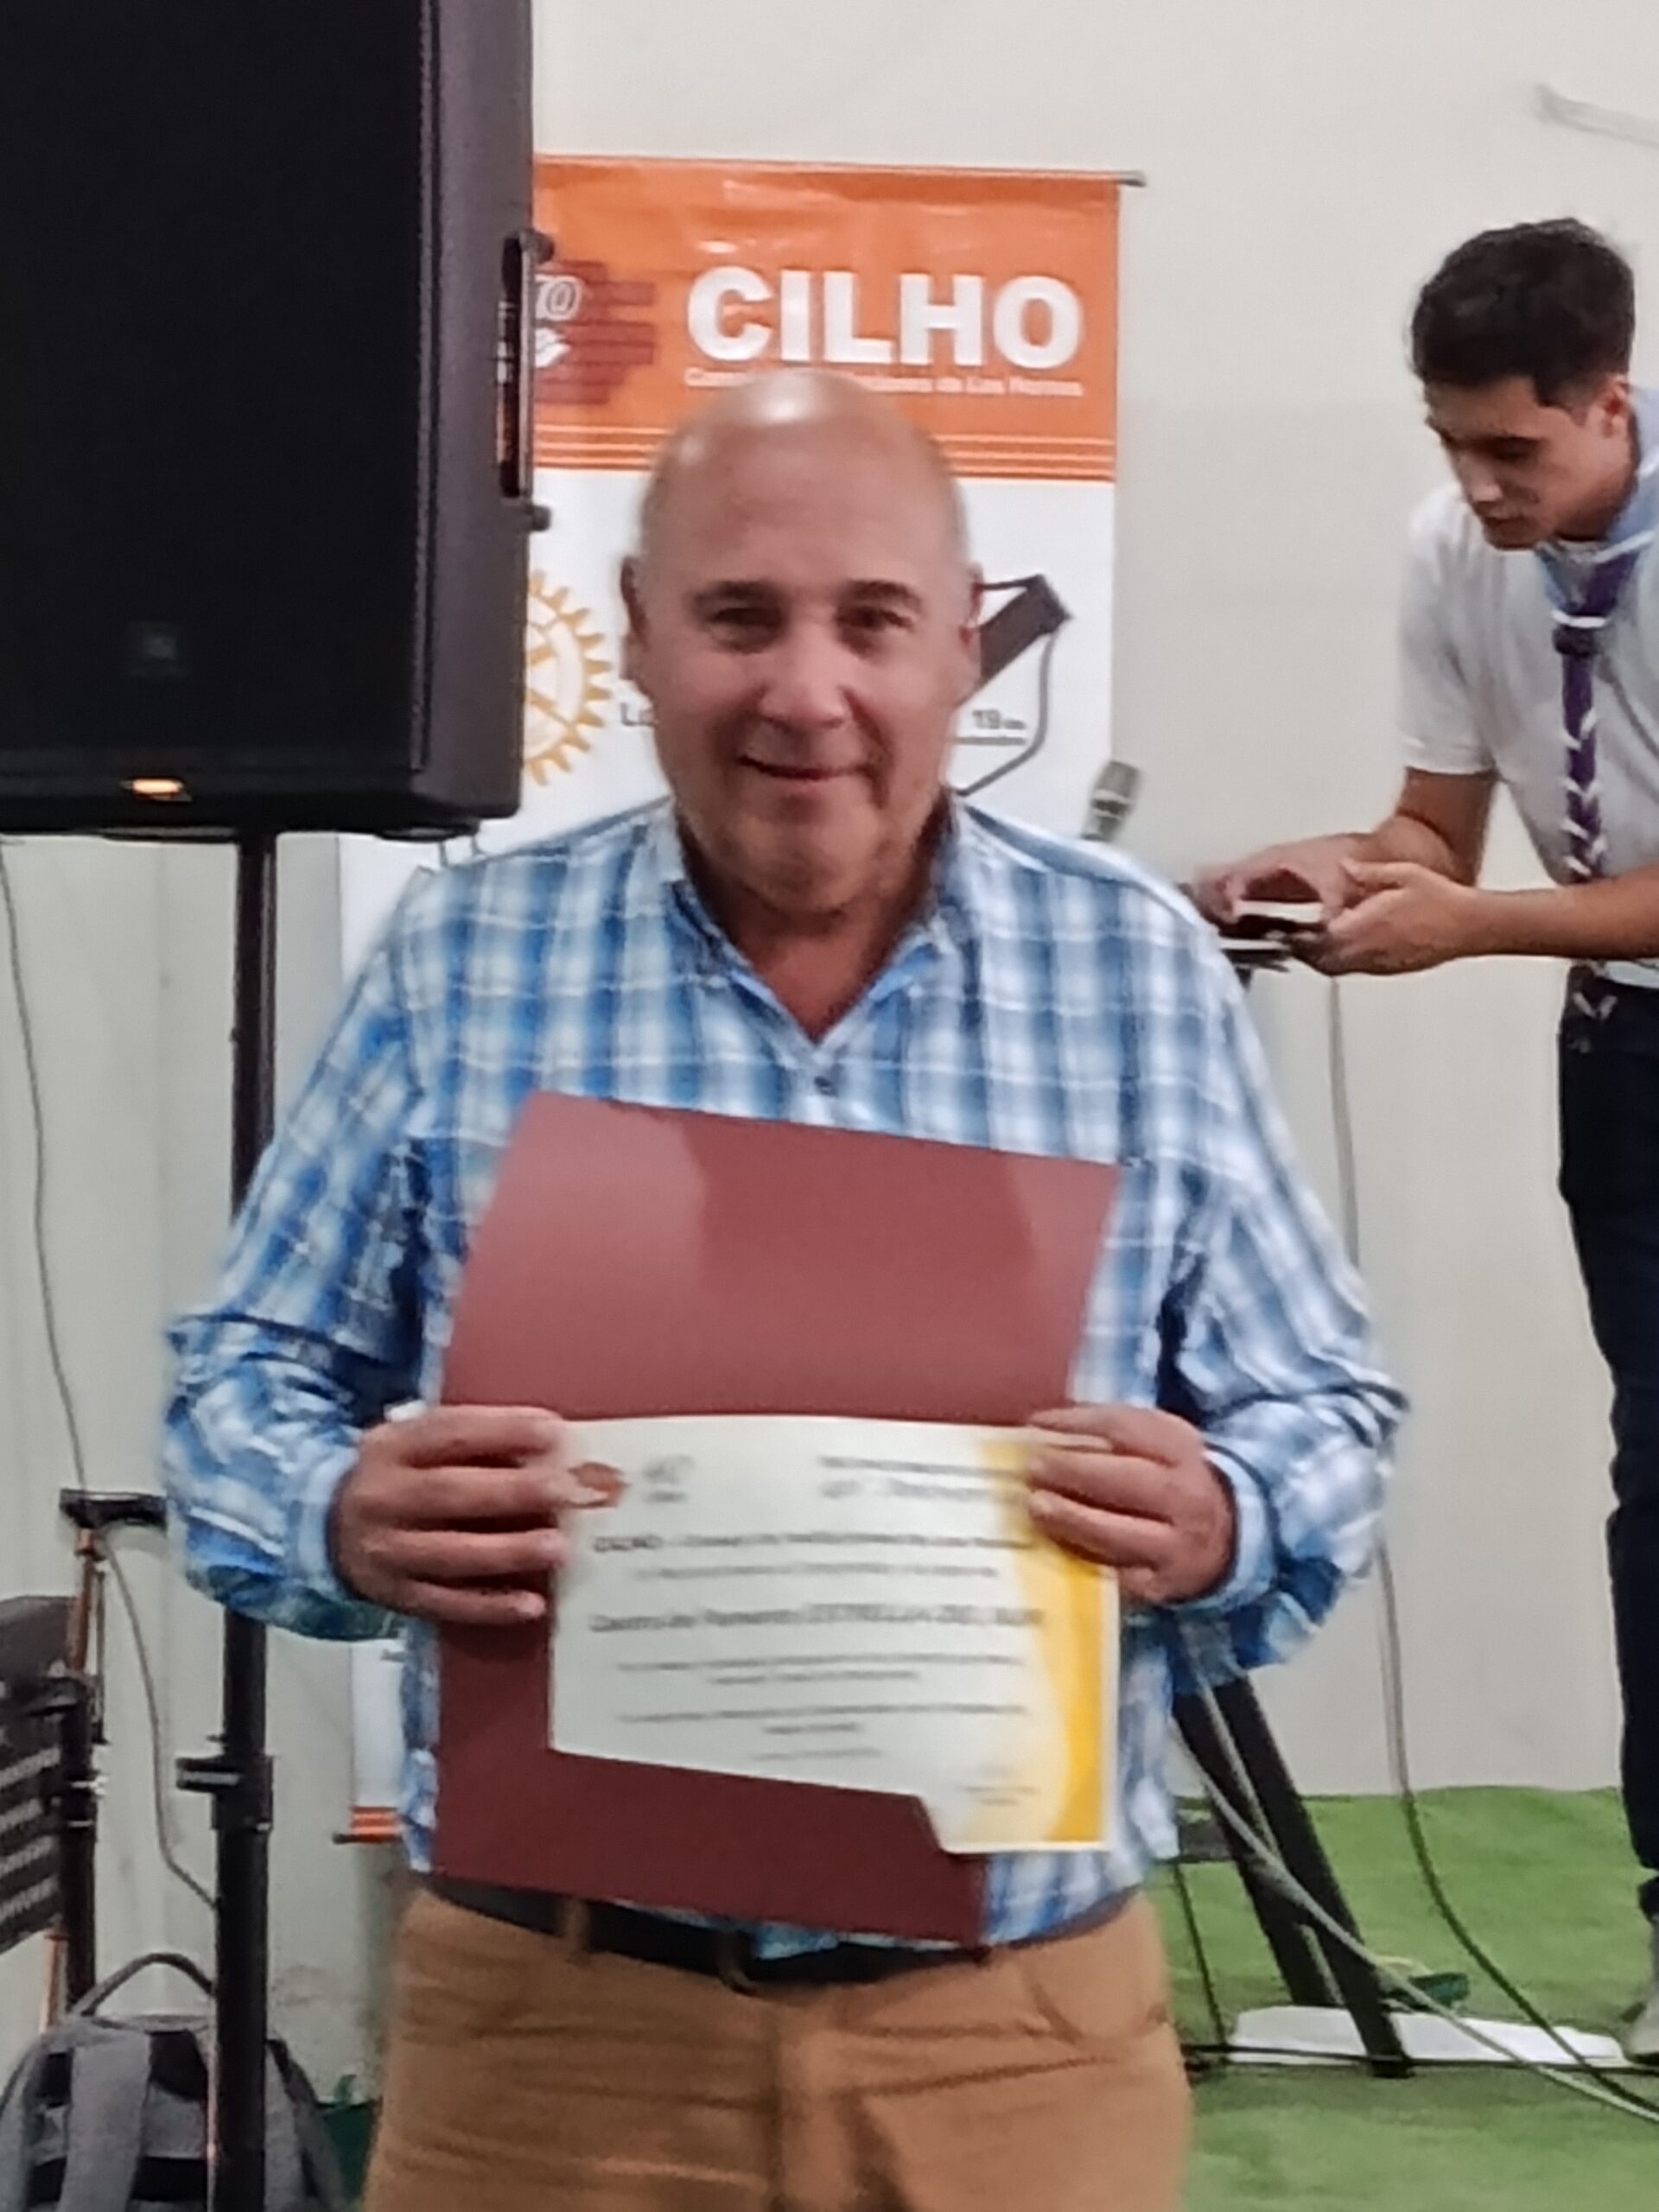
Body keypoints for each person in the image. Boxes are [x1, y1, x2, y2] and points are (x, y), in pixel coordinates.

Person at [164, 368, 1402, 2209]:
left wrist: (1226, 1511)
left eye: (872, 621)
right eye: (740, 617)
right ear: (639, 636)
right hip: (553, 2042)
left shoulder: (1133, 970)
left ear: (964, 646)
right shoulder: (466, 961)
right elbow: (236, 1389)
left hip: (1015, 2043)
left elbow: (1327, 1410)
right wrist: (338, 1509)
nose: (806, 690)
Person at [1196, 218, 1659, 2062]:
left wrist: (1474, 929)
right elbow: (1433, 837)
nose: (1476, 485)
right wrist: (1323, 872)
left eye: (1511, 449)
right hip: (1624, 1053)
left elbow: (1489, 903)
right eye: (1451, 443)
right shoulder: (1454, 551)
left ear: (1611, 402)